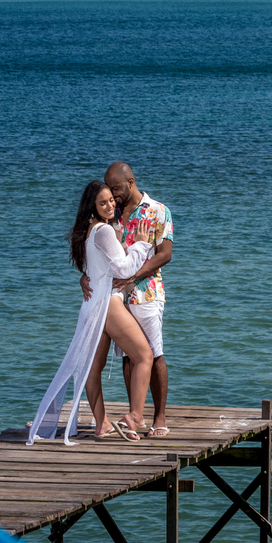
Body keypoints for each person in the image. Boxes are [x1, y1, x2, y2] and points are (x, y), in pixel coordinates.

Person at [28, 182, 154, 445]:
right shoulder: (103, 231)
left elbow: (96, 268)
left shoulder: (88, 232)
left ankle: (102, 424)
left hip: (91, 306)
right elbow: (121, 269)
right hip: (108, 305)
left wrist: (85, 277)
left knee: (91, 369)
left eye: (111, 200)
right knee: (144, 356)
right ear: (92, 207)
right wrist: (140, 245)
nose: (110, 206)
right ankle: (133, 417)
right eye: (103, 203)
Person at [83, 162, 174, 438]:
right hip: (118, 298)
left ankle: (159, 417)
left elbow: (164, 254)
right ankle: (136, 416)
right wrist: (85, 276)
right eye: (110, 191)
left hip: (146, 293)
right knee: (128, 358)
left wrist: (133, 276)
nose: (113, 195)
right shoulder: (112, 214)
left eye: (117, 189)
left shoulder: (158, 211)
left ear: (131, 182)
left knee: (153, 354)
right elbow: (100, 252)